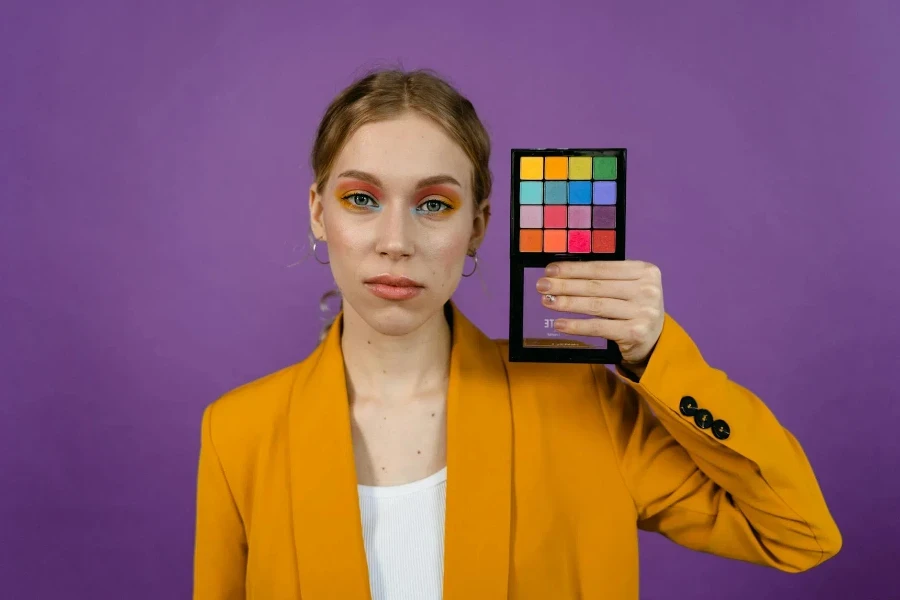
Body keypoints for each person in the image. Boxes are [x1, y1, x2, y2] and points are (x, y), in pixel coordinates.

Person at [192, 69, 841, 600]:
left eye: (434, 205)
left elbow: (799, 535)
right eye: (361, 198)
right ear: (317, 211)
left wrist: (658, 358)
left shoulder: (581, 401)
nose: (396, 242)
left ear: (478, 225)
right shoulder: (238, 433)